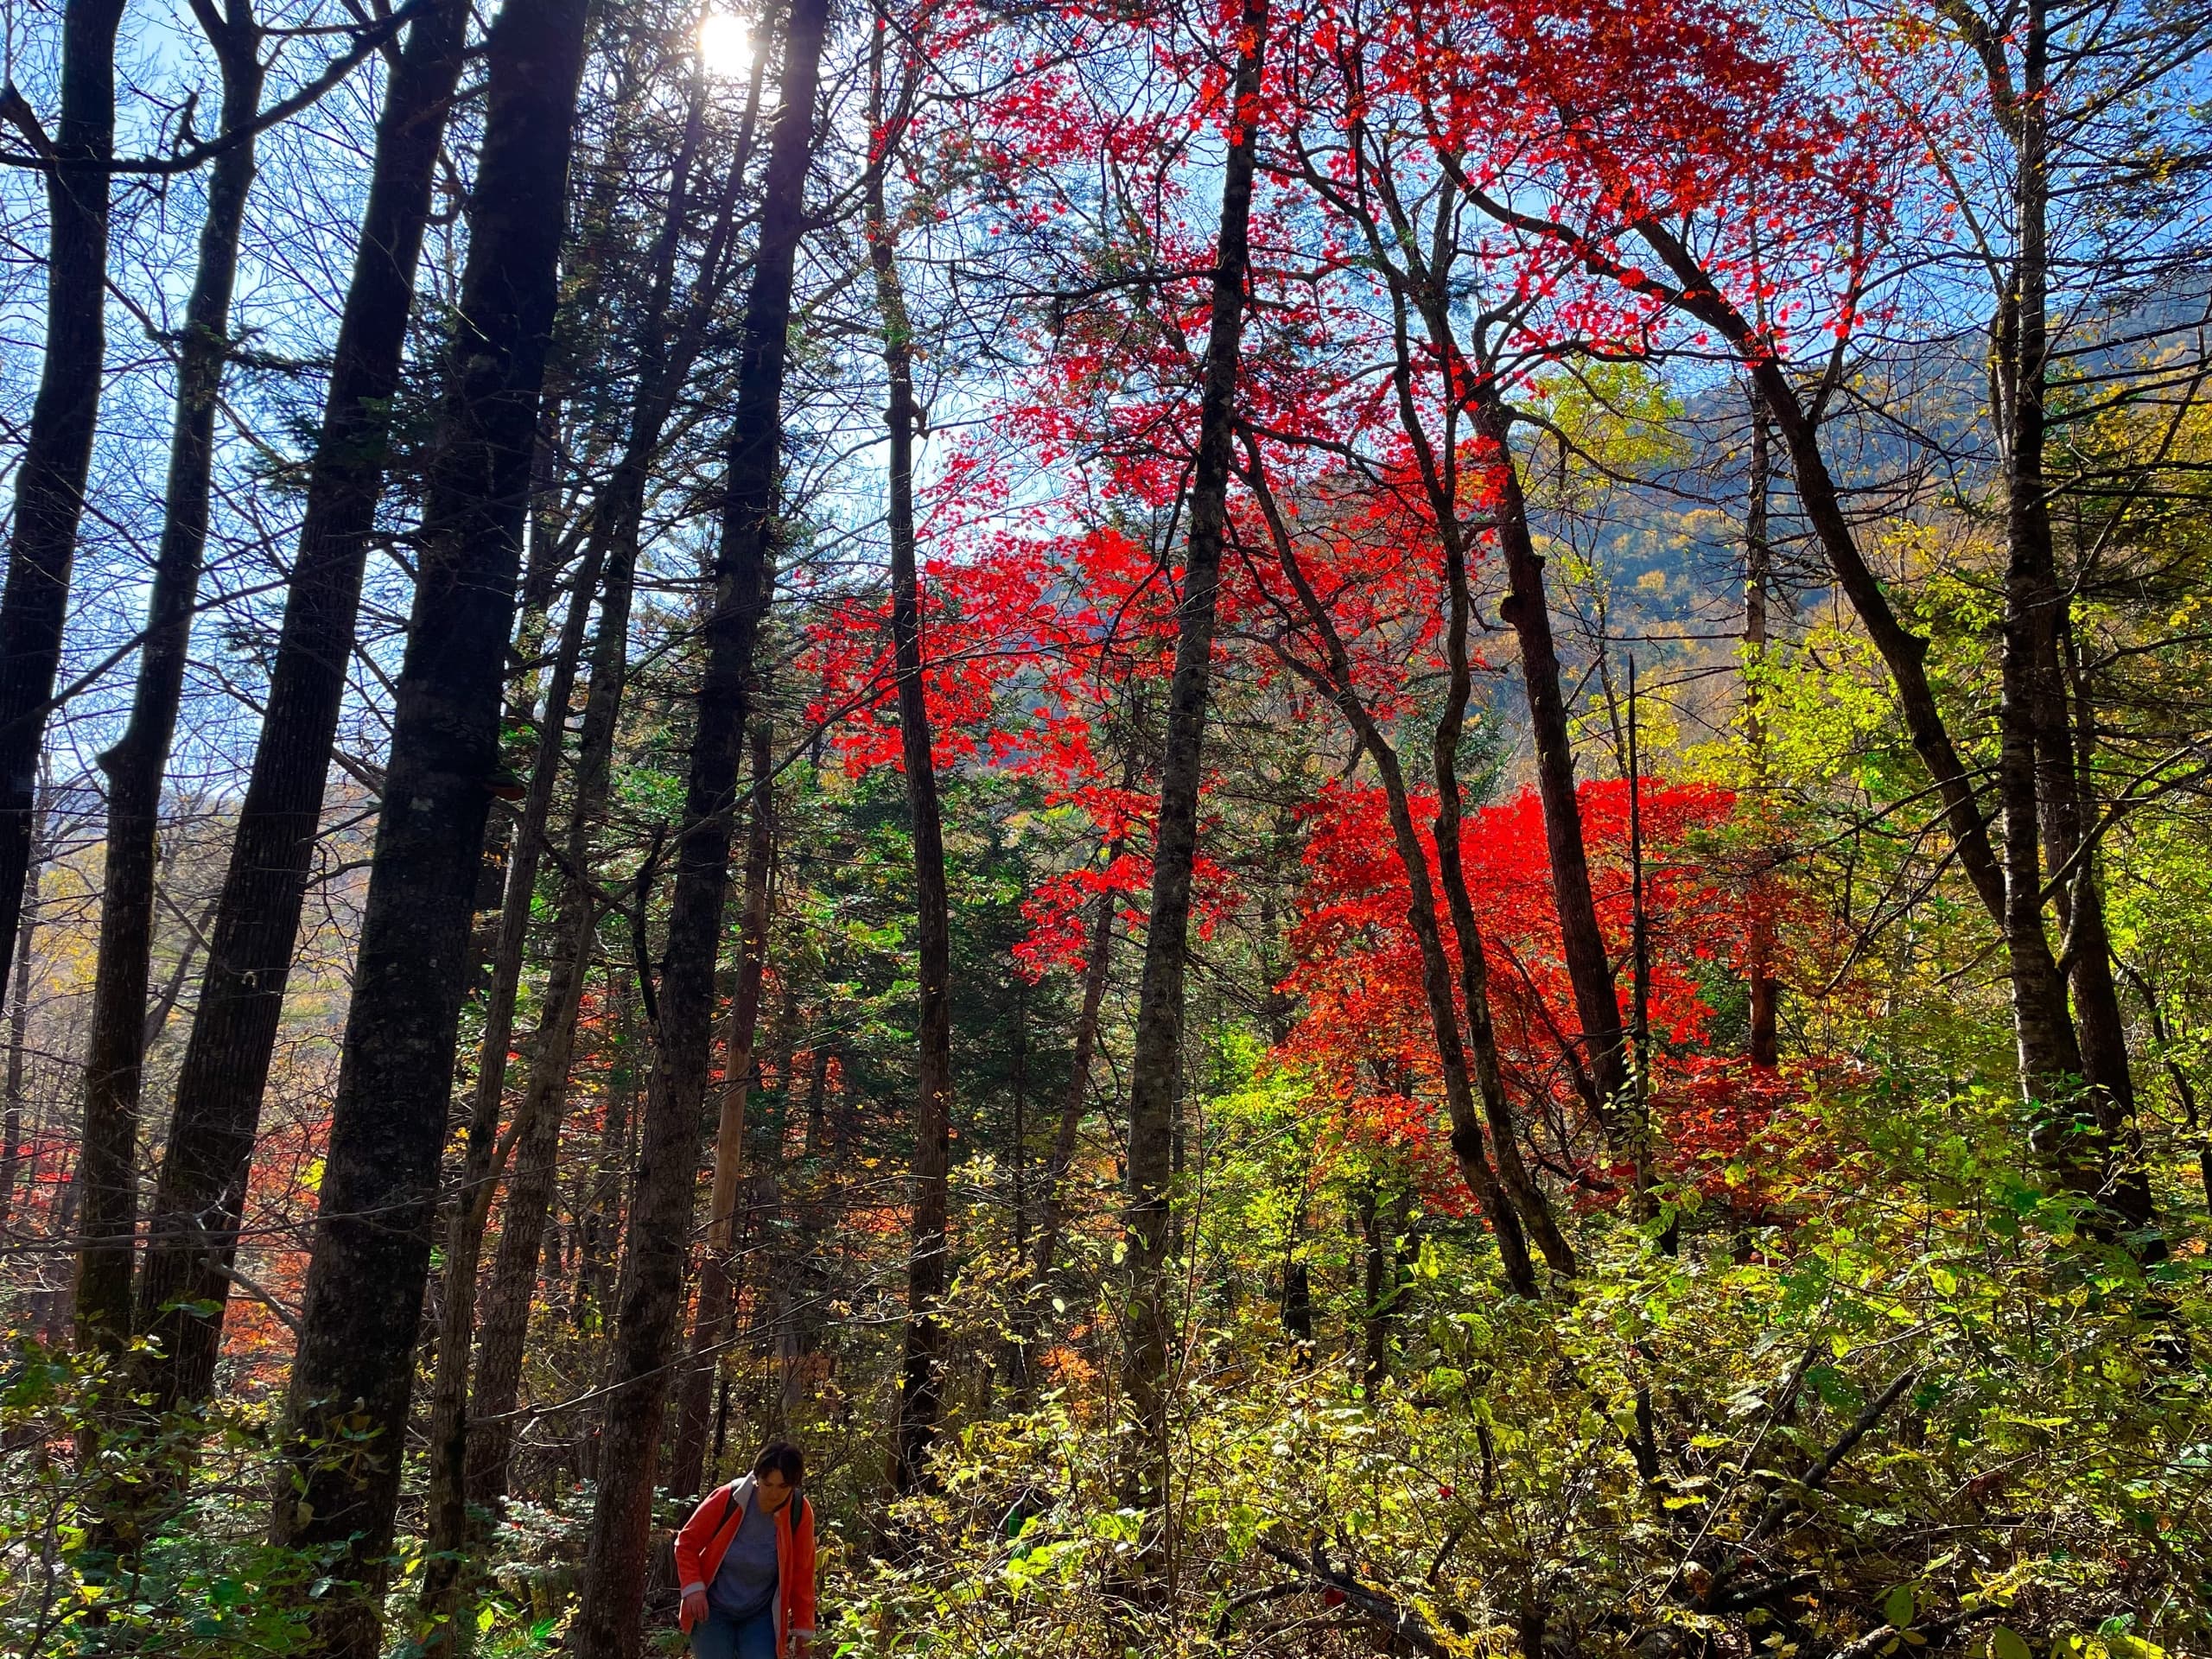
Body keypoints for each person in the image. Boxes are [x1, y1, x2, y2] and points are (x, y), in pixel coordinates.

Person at [675, 1441, 817, 1659]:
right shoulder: (729, 1497)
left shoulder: (799, 1512)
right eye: (768, 1484)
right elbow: (687, 1542)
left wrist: (804, 1634)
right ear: (757, 1477)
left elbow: (803, 1575)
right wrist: (693, 1589)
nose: (774, 1494)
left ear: (794, 1486)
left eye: (783, 1487)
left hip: (760, 1613)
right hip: (712, 1610)